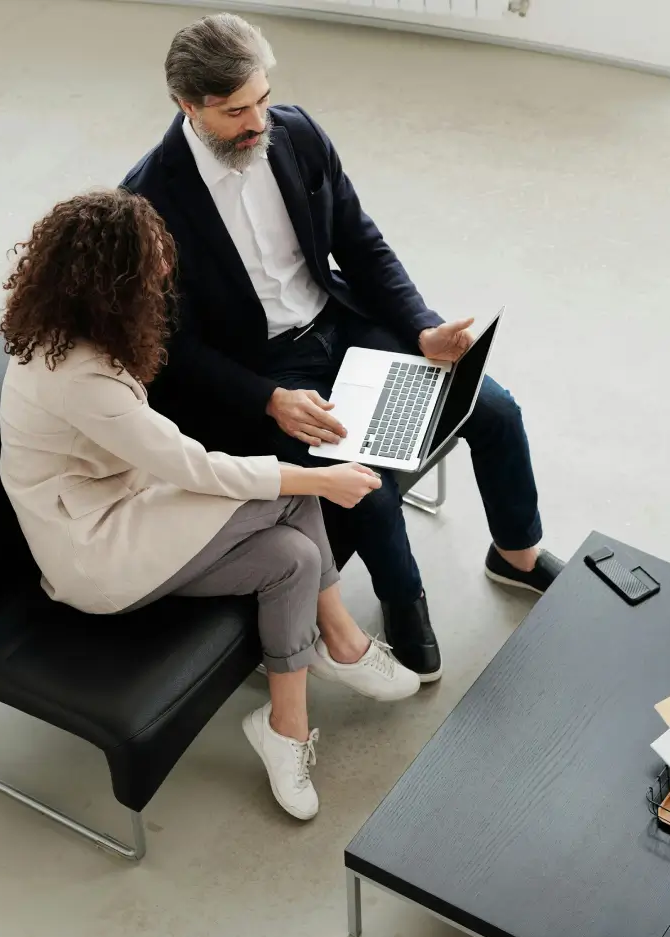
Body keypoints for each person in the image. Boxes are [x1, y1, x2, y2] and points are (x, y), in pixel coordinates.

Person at [122, 13, 564, 684]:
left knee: (493, 407)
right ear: (187, 105)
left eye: (263, 99)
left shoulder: (295, 132)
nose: (258, 122)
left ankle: (516, 554)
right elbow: (169, 348)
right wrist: (268, 400)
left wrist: (420, 327)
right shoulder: (146, 202)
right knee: (366, 484)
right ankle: (403, 601)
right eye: (236, 111)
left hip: (341, 320)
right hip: (261, 370)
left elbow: (359, 241)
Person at [0, 188, 421, 822]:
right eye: (151, 266)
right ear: (111, 284)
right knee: (293, 492)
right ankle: (342, 641)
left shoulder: (76, 332)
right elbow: (190, 466)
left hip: (132, 504)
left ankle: (284, 727)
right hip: (96, 551)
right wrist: (323, 481)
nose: (166, 273)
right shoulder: (79, 377)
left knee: (293, 558)